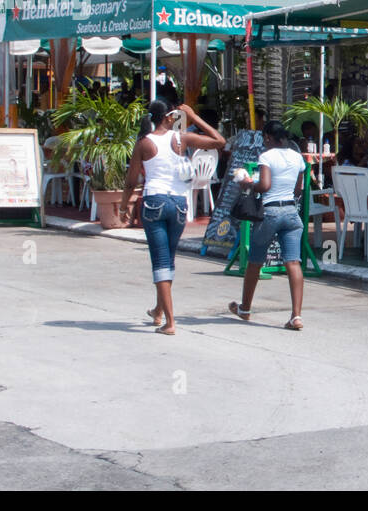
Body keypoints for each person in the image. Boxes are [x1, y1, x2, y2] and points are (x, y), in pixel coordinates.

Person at [121, 100, 226, 336]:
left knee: (160, 262)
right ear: (169, 117)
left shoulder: (143, 143)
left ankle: (169, 322)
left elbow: (131, 180)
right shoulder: (181, 139)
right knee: (168, 258)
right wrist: (194, 117)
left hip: (154, 201)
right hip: (179, 204)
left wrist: (123, 206)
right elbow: (220, 142)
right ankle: (159, 310)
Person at [228, 120, 309, 330]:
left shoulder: (266, 156)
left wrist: (248, 184)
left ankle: (245, 308)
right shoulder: (297, 157)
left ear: (266, 138)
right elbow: (298, 190)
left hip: (270, 212)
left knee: (255, 262)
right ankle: (296, 316)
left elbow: (264, 185)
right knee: (293, 263)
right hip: (291, 212)